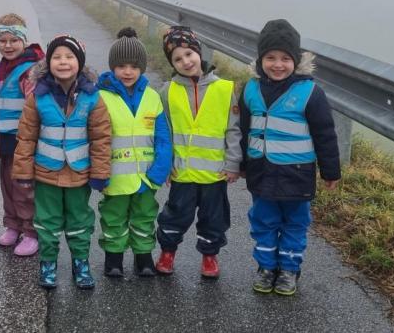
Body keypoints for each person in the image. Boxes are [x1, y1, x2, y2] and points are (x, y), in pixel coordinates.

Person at [240, 18, 341, 296]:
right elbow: (243, 130)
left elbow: (325, 134)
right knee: (263, 221)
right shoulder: (250, 89)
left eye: (285, 58)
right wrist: (240, 164)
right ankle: (266, 267)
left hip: (297, 174)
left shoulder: (310, 93)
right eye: (270, 58)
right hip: (261, 172)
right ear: (261, 60)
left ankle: (288, 269)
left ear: (296, 61)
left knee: (295, 223)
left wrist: (330, 171)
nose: (277, 64)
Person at [13, 34, 112, 290]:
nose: (63, 62)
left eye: (69, 57)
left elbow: (101, 137)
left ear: (79, 62)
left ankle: (81, 263)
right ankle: (48, 263)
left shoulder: (92, 97)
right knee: (47, 221)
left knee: (80, 220)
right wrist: (23, 172)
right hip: (46, 172)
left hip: (80, 174)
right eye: (57, 57)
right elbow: (26, 136)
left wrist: (100, 172)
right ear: (48, 63)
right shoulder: (38, 97)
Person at [154, 26, 240, 279]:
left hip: (215, 173)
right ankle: (168, 252)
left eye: (189, 54)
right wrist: (165, 163)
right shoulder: (167, 91)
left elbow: (233, 130)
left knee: (214, 218)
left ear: (198, 53)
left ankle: (209, 256)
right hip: (182, 171)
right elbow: (163, 132)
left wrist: (234, 162)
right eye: (177, 59)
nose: (185, 61)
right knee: (174, 216)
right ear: (172, 63)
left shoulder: (225, 89)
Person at [96, 28, 172, 278]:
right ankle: (114, 258)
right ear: (112, 67)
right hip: (115, 177)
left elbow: (162, 137)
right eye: (121, 66)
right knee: (113, 218)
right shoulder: (100, 97)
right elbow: (96, 138)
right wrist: (99, 173)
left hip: (145, 178)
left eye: (133, 66)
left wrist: (159, 171)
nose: (127, 72)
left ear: (141, 68)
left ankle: (143, 257)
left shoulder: (152, 97)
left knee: (144, 218)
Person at [0, 13, 45, 257]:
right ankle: (12, 225)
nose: (8, 45)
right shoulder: (0, 69)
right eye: (2, 40)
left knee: (24, 187)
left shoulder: (29, 71)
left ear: (24, 41)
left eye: (13, 40)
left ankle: (31, 231)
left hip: (23, 140)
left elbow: (34, 109)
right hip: (6, 139)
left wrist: (30, 141)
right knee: (7, 184)